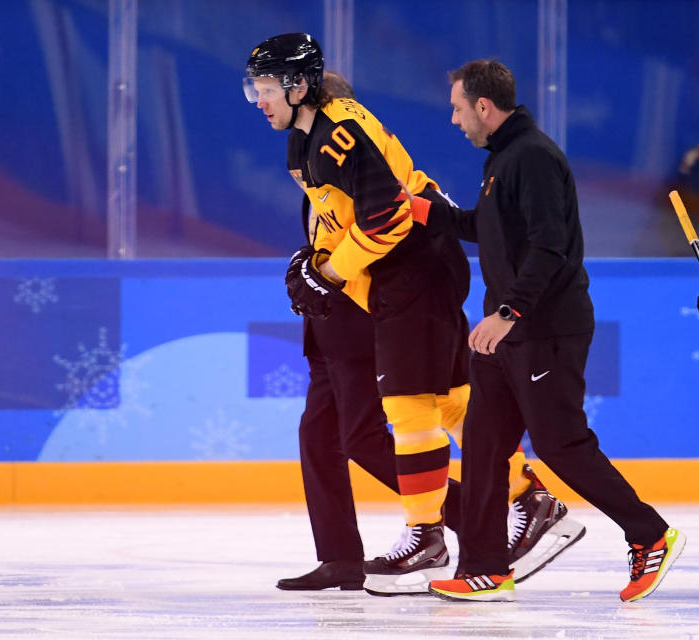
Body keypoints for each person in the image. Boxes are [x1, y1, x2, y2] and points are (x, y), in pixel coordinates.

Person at [245, 35, 582, 595]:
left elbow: (388, 219)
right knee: (449, 402)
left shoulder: (337, 134)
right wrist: (320, 262)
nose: (257, 101)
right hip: (412, 270)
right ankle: (525, 498)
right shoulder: (304, 141)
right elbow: (347, 217)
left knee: (408, 409)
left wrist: (328, 273)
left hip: (414, 271)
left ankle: (433, 533)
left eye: (263, 89)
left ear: (299, 87)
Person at [406, 59, 686, 602]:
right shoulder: (502, 161)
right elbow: (481, 228)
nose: (455, 120)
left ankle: (650, 534)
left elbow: (548, 247)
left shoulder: (531, 157)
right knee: (485, 449)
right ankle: (485, 567)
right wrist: (420, 210)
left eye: (458, 109)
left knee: (561, 444)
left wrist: (507, 314)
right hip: (505, 337)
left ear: (484, 107)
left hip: (542, 331)